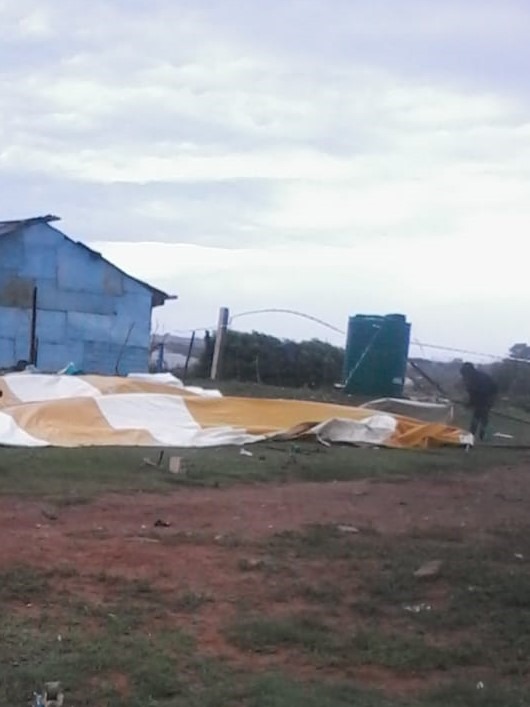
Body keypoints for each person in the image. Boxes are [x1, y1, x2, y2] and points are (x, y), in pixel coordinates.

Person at [460, 362, 498, 441]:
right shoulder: (471, 379)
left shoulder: (480, 378)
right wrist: (470, 403)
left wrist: (475, 402)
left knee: (481, 416)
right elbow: (472, 393)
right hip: (480, 397)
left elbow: (484, 391)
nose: (465, 377)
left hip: (488, 397)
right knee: (477, 416)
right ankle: (473, 434)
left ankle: (481, 434)